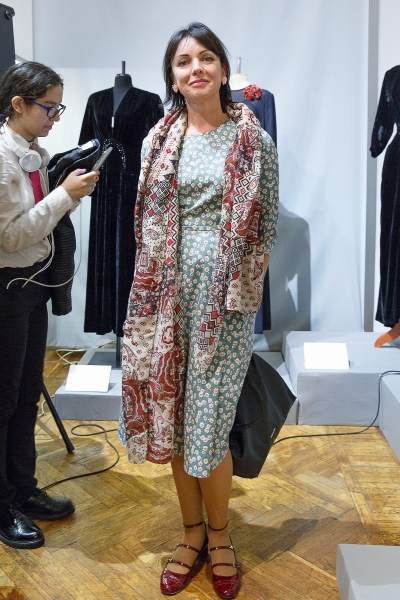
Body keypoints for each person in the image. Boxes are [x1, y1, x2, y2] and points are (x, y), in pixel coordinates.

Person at [121, 22, 278, 598]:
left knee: (208, 424)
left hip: (223, 305)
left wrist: (239, 294)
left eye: (206, 58)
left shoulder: (252, 140)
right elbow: (144, 222)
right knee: (174, 418)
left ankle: (221, 535)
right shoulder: (157, 140)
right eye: (184, 61)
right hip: (163, 298)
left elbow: (266, 224)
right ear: (173, 76)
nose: (196, 69)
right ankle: (191, 535)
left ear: (222, 69)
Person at [0, 61, 99, 550]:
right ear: (18, 104)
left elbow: (34, 222)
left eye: (59, 108)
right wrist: (63, 196)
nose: (56, 117)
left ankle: (22, 489)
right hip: (7, 288)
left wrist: (67, 194)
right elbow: (9, 236)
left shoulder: (31, 152)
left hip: (30, 286)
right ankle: (2, 506)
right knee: (4, 400)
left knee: (25, 397)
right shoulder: (2, 159)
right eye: (49, 108)